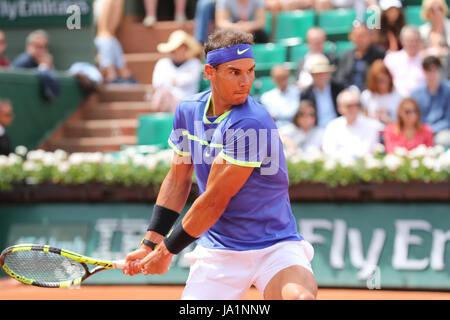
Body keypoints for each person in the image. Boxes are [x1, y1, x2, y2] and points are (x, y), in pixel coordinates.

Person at [123, 29, 318, 300]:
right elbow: (178, 181)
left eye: (250, 71)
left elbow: (214, 200)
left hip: (275, 245)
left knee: (300, 299)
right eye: (234, 72)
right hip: (219, 250)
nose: (246, 81)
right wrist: (150, 242)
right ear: (209, 72)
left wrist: (167, 251)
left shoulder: (252, 121)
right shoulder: (187, 110)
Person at [151, 30, 203, 112]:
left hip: (186, 99)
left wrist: (173, 82)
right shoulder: (162, 63)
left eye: (182, 47)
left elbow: (190, 80)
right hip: (163, 98)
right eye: (178, 47)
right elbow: (157, 83)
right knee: (162, 95)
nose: (180, 50)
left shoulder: (194, 63)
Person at [322, 89, 384, 158]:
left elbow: (369, 151)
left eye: (356, 105)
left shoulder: (372, 125)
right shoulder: (333, 126)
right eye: (349, 106)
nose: (353, 109)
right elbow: (329, 152)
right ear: (339, 108)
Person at [411, 55, 450, 147]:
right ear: (423, 71)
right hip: (419, 131)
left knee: (445, 139)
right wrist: (423, 130)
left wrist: (430, 129)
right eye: (429, 70)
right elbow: (413, 117)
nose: (432, 73)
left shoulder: (448, 91)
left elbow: (448, 120)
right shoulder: (416, 93)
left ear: (440, 71)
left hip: (441, 131)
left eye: (435, 69)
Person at [334, 23, 385, 91]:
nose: (360, 39)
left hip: (371, 93)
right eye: (357, 36)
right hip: (349, 95)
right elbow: (340, 79)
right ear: (350, 37)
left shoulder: (379, 54)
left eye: (363, 35)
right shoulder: (345, 55)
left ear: (370, 36)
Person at [300, 53, 345, 129]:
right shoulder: (306, 94)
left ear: (329, 73)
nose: (321, 76)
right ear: (312, 75)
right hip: (316, 130)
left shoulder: (339, 88)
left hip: (339, 128)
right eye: (317, 73)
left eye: (323, 73)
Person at [384, 25, 426, 97]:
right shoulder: (391, 59)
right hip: (396, 100)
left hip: (420, 101)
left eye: (416, 40)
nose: (413, 44)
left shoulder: (426, 61)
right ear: (402, 42)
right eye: (410, 41)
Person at [360, 59, 403, 124]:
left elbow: (403, 122)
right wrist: (372, 117)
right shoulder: (366, 96)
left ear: (389, 78)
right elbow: (362, 118)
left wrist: (389, 122)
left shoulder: (399, 96)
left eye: (383, 81)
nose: (381, 85)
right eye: (377, 82)